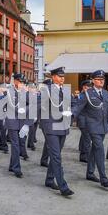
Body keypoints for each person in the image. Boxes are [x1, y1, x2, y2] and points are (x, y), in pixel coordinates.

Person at [74, 70, 108, 188]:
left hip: (103, 125)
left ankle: (90, 173)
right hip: (92, 125)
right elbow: (78, 107)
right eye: (98, 79)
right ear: (93, 81)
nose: (101, 81)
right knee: (100, 149)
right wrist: (70, 117)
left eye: (102, 79)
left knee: (94, 149)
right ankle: (103, 178)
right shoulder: (87, 93)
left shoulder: (106, 93)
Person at [40, 67, 74, 197]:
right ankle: (63, 186)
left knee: (56, 155)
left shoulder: (65, 90)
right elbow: (38, 105)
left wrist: (72, 111)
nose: (62, 78)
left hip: (63, 126)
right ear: (53, 77)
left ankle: (49, 179)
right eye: (59, 76)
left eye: (63, 76)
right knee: (56, 156)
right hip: (50, 126)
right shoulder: (46, 90)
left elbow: (74, 102)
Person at [4, 74, 31, 178]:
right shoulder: (9, 92)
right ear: (15, 81)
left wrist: (25, 110)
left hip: (22, 121)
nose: (22, 84)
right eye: (20, 82)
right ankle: (17, 168)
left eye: (23, 82)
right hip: (12, 121)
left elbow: (31, 105)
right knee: (15, 145)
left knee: (19, 144)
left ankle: (12, 165)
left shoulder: (25, 92)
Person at [76, 79, 92, 163]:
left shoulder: (88, 95)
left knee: (84, 138)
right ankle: (86, 156)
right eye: (88, 86)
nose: (89, 88)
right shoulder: (82, 96)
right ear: (84, 87)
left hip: (87, 120)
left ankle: (83, 155)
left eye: (90, 86)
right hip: (83, 120)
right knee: (87, 139)